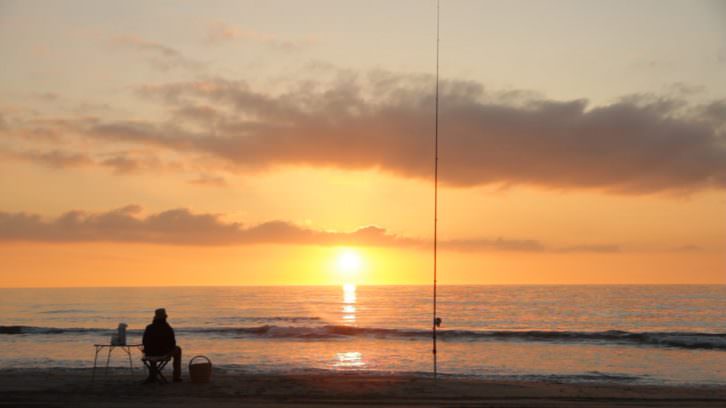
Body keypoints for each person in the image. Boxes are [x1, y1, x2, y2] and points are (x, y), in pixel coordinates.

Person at [142, 308, 182, 382]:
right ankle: (176, 377)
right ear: (165, 317)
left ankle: (152, 375)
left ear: (155, 317)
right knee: (178, 349)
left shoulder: (149, 327)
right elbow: (172, 344)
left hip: (150, 354)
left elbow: (144, 342)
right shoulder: (168, 328)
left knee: (152, 350)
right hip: (163, 353)